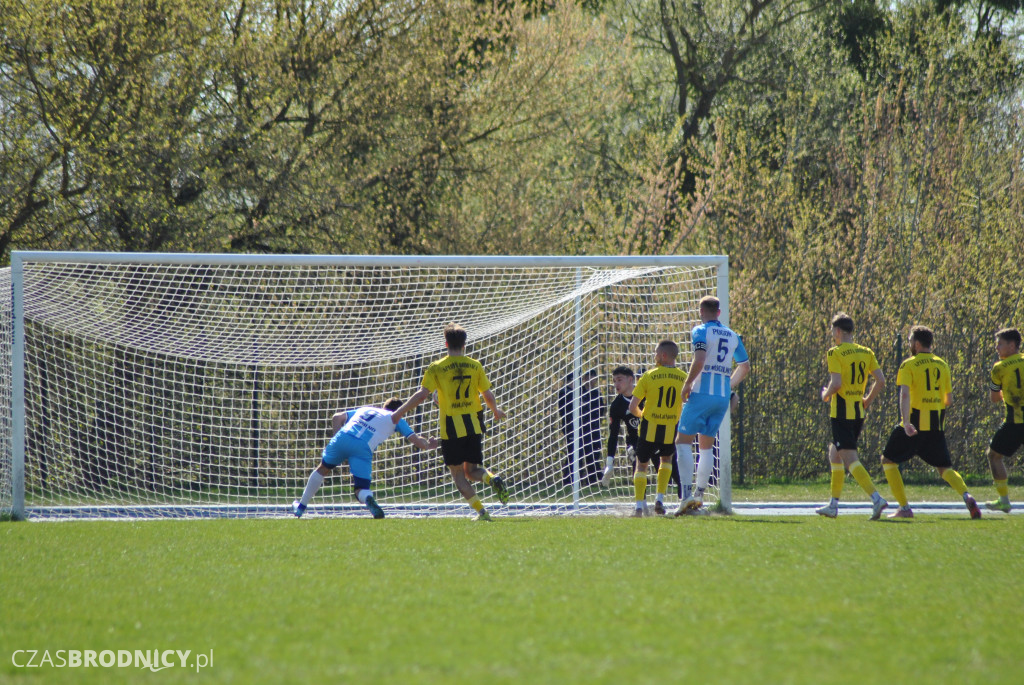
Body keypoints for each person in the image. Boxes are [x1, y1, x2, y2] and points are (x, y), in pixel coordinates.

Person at [392, 323, 510, 521]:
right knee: (472, 470)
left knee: (459, 476)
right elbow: (487, 394)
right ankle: (492, 478)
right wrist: (496, 411)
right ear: (464, 344)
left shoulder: (437, 367)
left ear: (446, 343)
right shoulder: (475, 365)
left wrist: (399, 412)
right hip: (474, 423)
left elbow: (422, 395)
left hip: (452, 428)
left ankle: (482, 513)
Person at [879, 325, 981, 519]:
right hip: (936, 425)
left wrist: (906, 421)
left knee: (887, 460)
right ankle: (966, 494)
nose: (909, 344)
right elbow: (949, 400)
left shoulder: (908, 364)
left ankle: (905, 508)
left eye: (910, 341)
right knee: (944, 469)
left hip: (913, 424)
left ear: (917, 344)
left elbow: (905, 394)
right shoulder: (942, 364)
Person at [293, 398, 438, 519]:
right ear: (399, 411)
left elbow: (337, 417)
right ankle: (368, 498)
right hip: (363, 448)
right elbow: (418, 442)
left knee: (322, 469)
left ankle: (300, 508)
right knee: (361, 488)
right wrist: (429, 445)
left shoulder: (366, 409)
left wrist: (339, 441)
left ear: (384, 406)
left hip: (343, 437)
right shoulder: (397, 419)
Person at [676, 296, 751, 515]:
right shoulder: (733, 335)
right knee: (706, 445)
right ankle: (699, 496)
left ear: (701, 311)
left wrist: (687, 384)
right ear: (719, 312)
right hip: (721, 397)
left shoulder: (700, 331)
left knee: (682, 442)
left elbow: (699, 360)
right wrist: (728, 386)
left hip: (701, 394)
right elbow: (745, 366)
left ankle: (686, 495)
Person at [815, 313, 889, 520]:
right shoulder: (866, 352)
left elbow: (836, 384)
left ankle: (876, 498)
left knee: (849, 459)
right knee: (834, 454)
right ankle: (833, 505)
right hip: (858, 412)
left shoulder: (835, 353)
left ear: (838, 331)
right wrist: (867, 400)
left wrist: (825, 394)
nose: (832, 336)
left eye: (832, 332)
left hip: (841, 414)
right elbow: (881, 380)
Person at [628, 341, 687, 516]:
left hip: (649, 427)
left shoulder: (648, 376)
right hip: (670, 427)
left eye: (655, 353)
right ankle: (659, 500)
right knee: (666, 460)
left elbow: (633, 407)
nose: (654, 357)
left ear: (663, 355)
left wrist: (642, 414)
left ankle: (639, 506)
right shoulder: (684, 377)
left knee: (641, 465)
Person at [984, 327, 1023, 513]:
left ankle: (1004, 500)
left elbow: (994, 397)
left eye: (1000, 344)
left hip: (1015, 422)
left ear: (1012, 345)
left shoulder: (999, 368)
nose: (996, 348)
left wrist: (1007, 392)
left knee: (993, 455)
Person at [557, 368, 605, 487]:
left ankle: (592, 480)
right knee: (574, 455)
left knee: (592, 454)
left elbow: (600, 411)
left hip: (591, 428)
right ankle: (570, 481)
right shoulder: (566, 392)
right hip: (573, 429)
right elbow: (566, 412)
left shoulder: (595, 393)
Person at [602, 366, 640, 487]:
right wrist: (609, 462)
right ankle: (640, 503)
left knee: (665, 465)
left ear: (630, 380)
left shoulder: (646, 394)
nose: (616, 384)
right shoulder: (616, 405)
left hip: (653, 435)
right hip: (634, 440)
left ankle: (682, 497)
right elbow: (613, 434)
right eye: (614, 381)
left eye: (619, 380)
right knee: (636, 461)